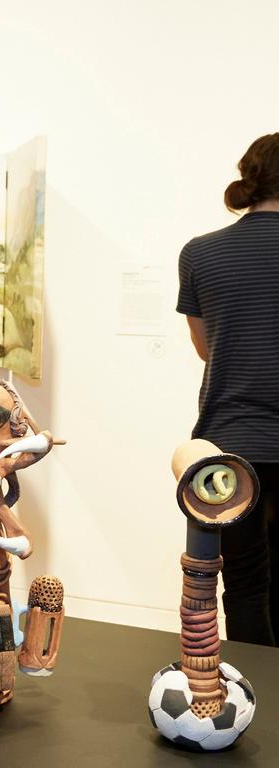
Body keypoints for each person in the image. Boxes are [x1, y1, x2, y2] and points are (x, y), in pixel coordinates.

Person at [177, 132, 279, 647]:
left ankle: (252, 701)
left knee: (242, 584)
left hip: (229, 449)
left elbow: (206, 348)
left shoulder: (201, 254)